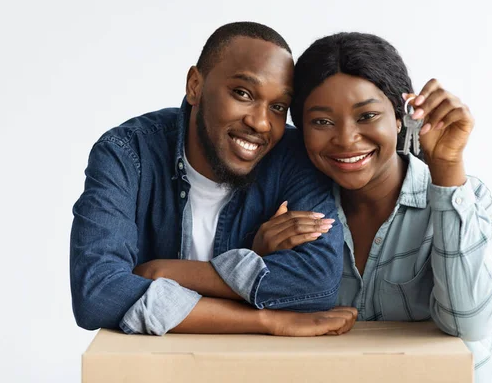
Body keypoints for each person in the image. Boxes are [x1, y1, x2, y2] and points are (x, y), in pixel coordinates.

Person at [258, 32, 492, 382]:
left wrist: (446, 167)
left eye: (367, 115)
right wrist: (260, 256)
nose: (345, 138)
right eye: (322, 122)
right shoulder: (288, 209)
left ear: (401, 118)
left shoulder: (464, 197)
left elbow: (470, 324)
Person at [70, 22, 357, 337]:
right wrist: (265, 319)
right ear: (195, 85)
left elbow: (318, 283)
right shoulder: (127, 154)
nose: (261, 123)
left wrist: (162, 272)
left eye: (277, 107)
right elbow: (97, 294)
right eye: (242, 93)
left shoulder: (293, 158)